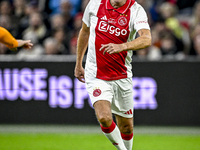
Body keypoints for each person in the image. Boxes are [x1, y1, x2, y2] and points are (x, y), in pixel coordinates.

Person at [74, 0, 151, 150]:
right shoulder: (95, 4)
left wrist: (122, 46)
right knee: (104, 117)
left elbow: (146, 39)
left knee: (127, 128)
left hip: (122, 75)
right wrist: (78, 63)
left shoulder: (136, 10)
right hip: (96, 73)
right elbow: (84, 31)